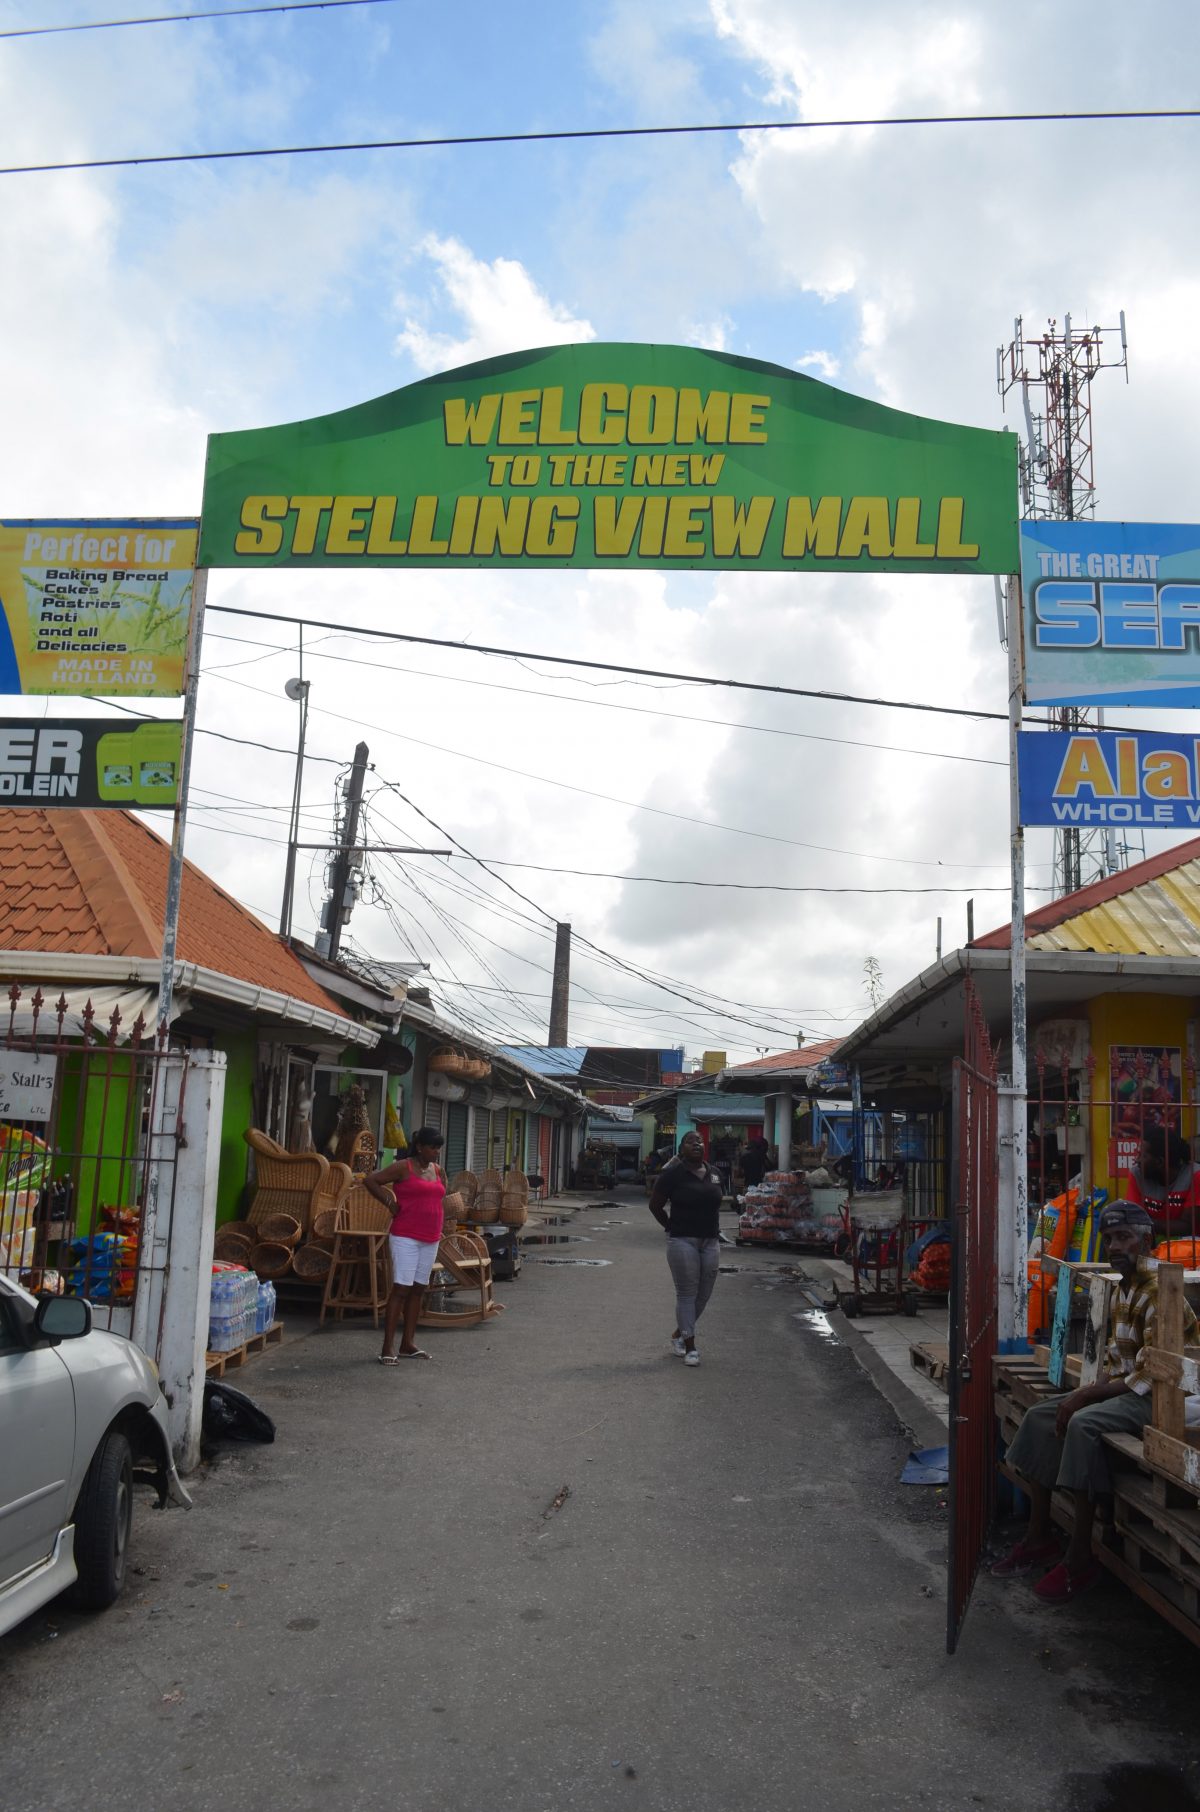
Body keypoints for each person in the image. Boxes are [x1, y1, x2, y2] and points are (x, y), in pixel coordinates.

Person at [992, 1200, 1198, 1602]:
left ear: (1147, 1241)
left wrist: (1086, 1397)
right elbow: (1116, 1361)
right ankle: (1038, 1537)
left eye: (1124, 1237)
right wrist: (1083, 1393)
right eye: (1109, 1239)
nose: (1115, 1246)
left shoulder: (1159, 1291)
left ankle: (1081, 1556)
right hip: (1130, 1389)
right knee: (1038, 1417)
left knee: (1083, 1425)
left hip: (1163, 1397)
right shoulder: (1125, 1286)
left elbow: (1150, 1375)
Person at [364, 1126, 447, 1364]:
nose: (436, 1152)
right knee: (401, 1289)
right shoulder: (403, 1167)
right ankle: (387, 1347)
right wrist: (390, 1203)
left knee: (418, 1290)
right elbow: (371, 1181)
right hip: (405, 1237)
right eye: (433, 1147)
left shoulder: (438, 1170)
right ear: (420, 1147)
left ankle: (408, 1343)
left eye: (439, 1148)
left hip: (430, 1238)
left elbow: (441, 1195)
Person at [648, 1129, 723, 1367]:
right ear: (682, 1148)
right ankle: (690, 1346)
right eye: (691, 1142)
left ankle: (678, 1333)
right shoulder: (672, 1174)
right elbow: (655, 1205)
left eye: (699, 1141)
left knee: (704, 1293)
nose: (697, 1144)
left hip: (710, 1241)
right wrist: (670, 1226)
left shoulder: (715, 1174)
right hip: (683, 1241)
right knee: (687, 1293)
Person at [1125, 1129, 1200, 1236]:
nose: (1137, 1160)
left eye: (1143, 1156)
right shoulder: (1137, 1173)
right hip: (1150, 1245)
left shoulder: (1195, 1175)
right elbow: (1132, 1217)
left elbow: (1188, 1227)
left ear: (1159, 1162)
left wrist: (1144, 1223)